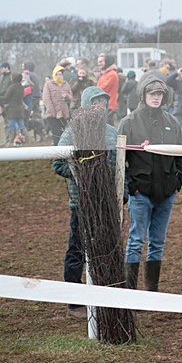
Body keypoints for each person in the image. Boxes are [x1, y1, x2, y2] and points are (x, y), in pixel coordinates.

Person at [52, 86, 118, 317]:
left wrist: (123, 193)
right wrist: (87, 174)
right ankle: (74, 301)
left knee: (107, 247)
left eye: (104, 103)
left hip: (106, 203)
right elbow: (58, 163)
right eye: (96, 102)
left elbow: (120, 167)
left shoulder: (112, 132)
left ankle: (107, 295)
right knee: (77, 249)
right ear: (86, 105)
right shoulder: (71, 133)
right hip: (81, 202)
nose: (101, 107)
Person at [119, 76, 182, 291]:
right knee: (136, 240)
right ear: (143, 95)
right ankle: (131, 291)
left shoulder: (171, 122)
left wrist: (177, 181)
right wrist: (131, 187)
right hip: (140, 193)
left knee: (157, 242)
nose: (156, 98)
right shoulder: (129, 122)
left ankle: (151, 291)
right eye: (152, 94)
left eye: (160, 94)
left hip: (166, 193)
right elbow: (121, 160)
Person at [41, 64, 73, 144]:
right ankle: (55, 152)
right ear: (54, 75)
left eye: (60, 74)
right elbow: (46, 99)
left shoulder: (66, 84)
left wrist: (66, 96)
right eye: (57, 74)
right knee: (56, 134)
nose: (59, 76)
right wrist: (52, 111)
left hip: (63, 114)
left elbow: (71, 98)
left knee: (62, 134)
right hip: (52, 115)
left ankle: (61, 151)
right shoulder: (48, 84)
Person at [1, 73, 27, 146]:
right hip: (20, 109)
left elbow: (6, 98)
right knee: (21, 126)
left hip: (12, 110)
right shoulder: (21, 87)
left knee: (11, 126)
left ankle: (10, 142)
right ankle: (27, 140)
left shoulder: (12, 87)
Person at [96, 53, 120, 125]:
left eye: (101, 62)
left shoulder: (112, 74)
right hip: (104, 105)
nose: (99, 64)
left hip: (108, 105)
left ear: (107, 61)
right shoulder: (106, 74)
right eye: (98, 62)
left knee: (108, 130)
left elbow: (101, 89)